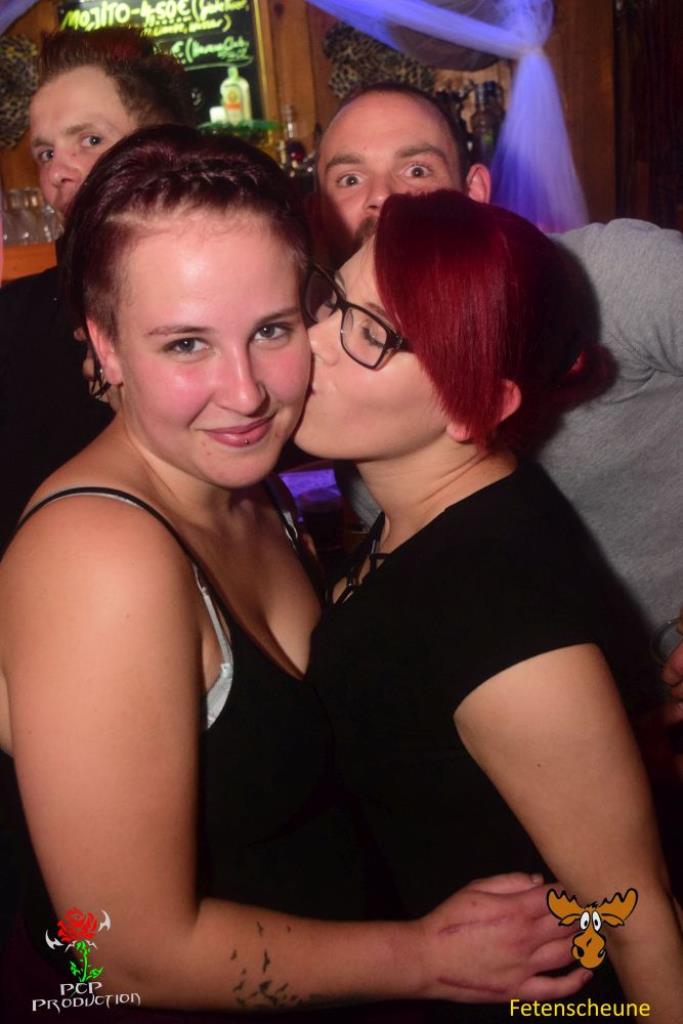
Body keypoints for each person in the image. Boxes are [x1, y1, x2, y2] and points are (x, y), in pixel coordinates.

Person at [0, 126, 586, 1021]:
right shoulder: (98, 558)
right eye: (185, 344)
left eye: (272, 330)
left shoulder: (247, 482)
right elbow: (113, 952)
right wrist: (426, 958)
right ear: (105, 346)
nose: (247, 393)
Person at [296, 189, 683, 1023]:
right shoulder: (423, 515)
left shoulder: (495, 609)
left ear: (479, 401)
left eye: (372, 334)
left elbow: (638, 917)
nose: (314, 341)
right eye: (332, 301)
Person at [311, 83, 683, 715]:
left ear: (476, 192)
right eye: (349, 179)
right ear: (320, 215)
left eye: (417, 169)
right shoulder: (352, 382)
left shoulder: (616, 274)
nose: (382, 197)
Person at [0, 27, 194, 551]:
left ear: (168, 146)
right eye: (45, 153)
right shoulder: (14, 321)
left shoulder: (232, 303)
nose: (57, 174)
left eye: (89, 140)